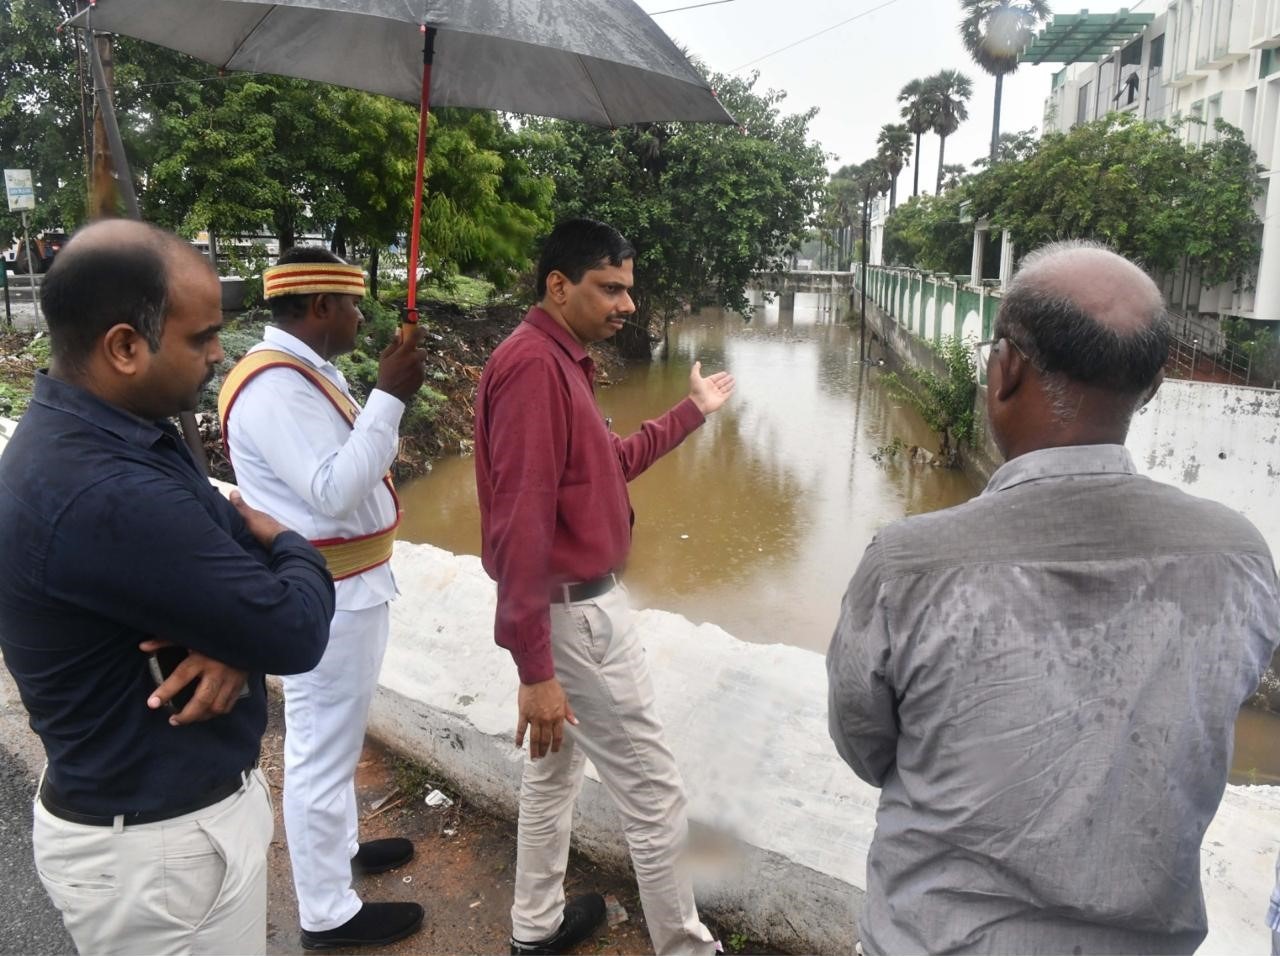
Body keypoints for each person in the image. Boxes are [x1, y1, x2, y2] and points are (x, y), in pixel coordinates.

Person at [827, 240, 1280, 955]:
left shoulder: (909, 564)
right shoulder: (1239, 556)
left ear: (1004, 370)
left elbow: (865, 743)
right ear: (1153, 387)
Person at [0, 219, 336, 955]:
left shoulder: (116, 431)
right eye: (200, 337)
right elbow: (297, 630)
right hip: (157, 856)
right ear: (124, 346)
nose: (219, 355)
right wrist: (291, 544)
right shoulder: (103, 489)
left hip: (163, 830)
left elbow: (226, 561)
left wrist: (234, 635)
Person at [474, 218, 735, 956]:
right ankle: (688, 949)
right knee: (655, 799)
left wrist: (691, 413)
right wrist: (535, 670)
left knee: (552, 777)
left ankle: (536, 925)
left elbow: (607, 466)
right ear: (558, 286)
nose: (627, 304)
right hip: (572, 621)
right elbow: (519, 527)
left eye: (630, 288)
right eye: (610, 288)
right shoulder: (532, 368)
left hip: (571, 615)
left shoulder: (563, 363)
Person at [218, 247, 428, 949]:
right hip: (328, 593)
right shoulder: (276, 387)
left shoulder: (309, 374)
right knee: (318, 749)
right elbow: (335, 490)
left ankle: (339, 851)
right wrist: (390, 396)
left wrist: (383, 402)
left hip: (349, 585)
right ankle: (327, 914)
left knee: (337, 740)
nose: (362, 316)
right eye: (352, 304)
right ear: (318, 308)